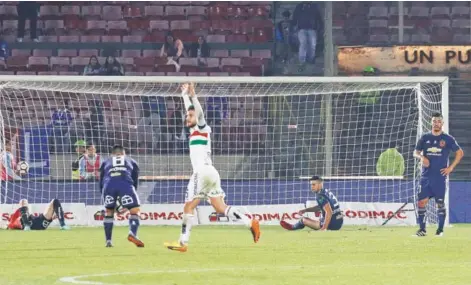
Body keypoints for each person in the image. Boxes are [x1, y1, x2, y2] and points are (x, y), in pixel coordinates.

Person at [164, 83, 261, 252]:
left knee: (188, 207)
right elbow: (192, 111)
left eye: (190, 116)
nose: (187, 117)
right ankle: (249, 221)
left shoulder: (202, 127)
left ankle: (182, 242)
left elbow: (197, 113)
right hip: (211, 173)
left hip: (201, 173)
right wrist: (184, 95)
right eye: (186, 116)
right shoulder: (196, 130)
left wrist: (193, 96)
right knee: (220, 208)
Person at [414, 113, 464, 237]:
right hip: (426, 177)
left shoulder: (447, 139)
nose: (436, 123)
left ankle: (440, 230)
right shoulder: (425, 137)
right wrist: (421, 157)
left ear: (442, 123)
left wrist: (450, 168)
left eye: (439, 121)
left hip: (440, 177)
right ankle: (422, 230)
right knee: (421, 202)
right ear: (431, 123)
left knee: (440, 203)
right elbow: (415, 152)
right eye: (434, 121)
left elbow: (460, 153)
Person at [100, 145, 143, 247]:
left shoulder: (106, 162)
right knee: (135, 210)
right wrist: (133, 191)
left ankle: (108, 241)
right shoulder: (131, 160)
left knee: (109, 211)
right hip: (125, 185)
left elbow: (101, 180)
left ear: (112, 154)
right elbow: (135, 179)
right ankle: (132, 233)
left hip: (108, 186)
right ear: (124, 154)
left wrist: (103, 193)